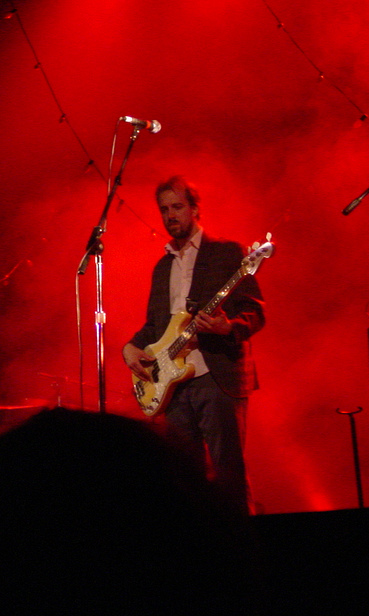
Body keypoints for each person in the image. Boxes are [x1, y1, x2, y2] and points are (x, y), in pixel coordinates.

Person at [122, 176, 264, 513]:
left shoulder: (227, 252)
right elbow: (155, 326)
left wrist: (228, 327)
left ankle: (241, 537)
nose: (170, 215)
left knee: (228, 473)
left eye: (177, 207)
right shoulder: (162, 267)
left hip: (216, 375)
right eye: (164, 210)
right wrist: (129, 348)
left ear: (195, 209)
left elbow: (255, 311)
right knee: (185, 478)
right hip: (173, 387)